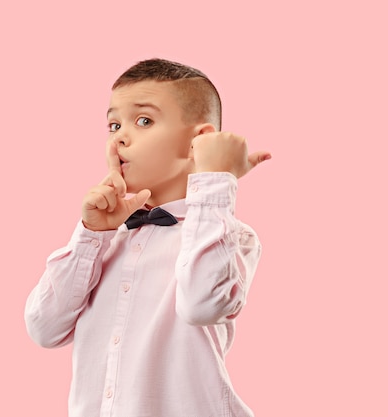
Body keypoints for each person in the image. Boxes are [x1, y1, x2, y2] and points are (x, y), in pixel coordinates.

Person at [24, 58, 271, 417]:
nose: (120, 136)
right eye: (113, 124)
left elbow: (203, 305)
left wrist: (215, 179)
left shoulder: (231, 237)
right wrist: (91, 235)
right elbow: (43, 328)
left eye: (144, 121)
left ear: (199, 142)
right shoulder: (103, 242)